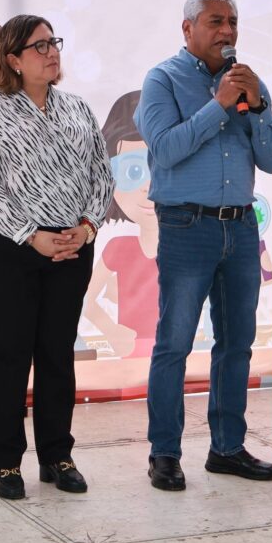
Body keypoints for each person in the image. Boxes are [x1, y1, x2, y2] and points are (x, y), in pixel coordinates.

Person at [135, 0, 272, 489]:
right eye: (216, 21)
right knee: (174, 342)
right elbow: (165, 149)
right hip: (186, 226)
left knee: (237, 343)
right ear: (188, 29)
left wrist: (258, 105)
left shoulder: (247, 81)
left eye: (233, 22)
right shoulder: (163, 79)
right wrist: (220, 105)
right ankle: (165, 453)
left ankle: (227, 449)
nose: (227, 31)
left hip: (241, 227)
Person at [0, 14, 114, 500]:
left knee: (56, 355)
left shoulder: (77, 109)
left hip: (73, 245)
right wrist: (33, 236)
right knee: (9, 356)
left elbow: (101, 175)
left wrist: (88, 226)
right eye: (39, 46)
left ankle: (57, 455)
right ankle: (7, 463)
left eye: (54, 43)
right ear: (13, 59)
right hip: (13, 248)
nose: (52, 52)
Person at [83, 91, 160, 359]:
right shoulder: (119, 248)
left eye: (159, 168)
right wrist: (112, 331)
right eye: (132, 171)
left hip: (180, 349)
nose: (147, 187)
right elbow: (85, 298)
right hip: (131, 354)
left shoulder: (185, 246)